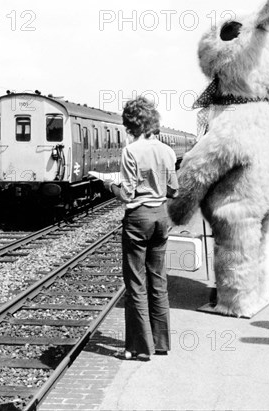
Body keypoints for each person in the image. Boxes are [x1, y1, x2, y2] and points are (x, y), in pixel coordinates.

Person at [103, 97, 178, 361]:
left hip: (139, 218)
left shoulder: (131, 152)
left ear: (132, 124)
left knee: (136, 283)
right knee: (158, 280)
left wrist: (108, 186)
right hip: (161, 217)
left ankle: (138, 347)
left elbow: (127, 194)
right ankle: (160, 343)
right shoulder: (168, 151)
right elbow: (174, 189)